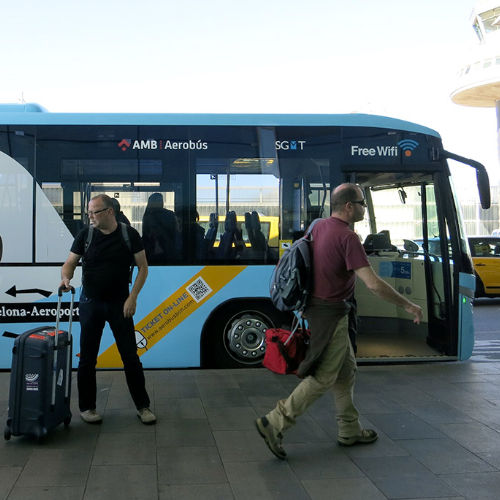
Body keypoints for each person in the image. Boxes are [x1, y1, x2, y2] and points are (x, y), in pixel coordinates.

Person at [255, 183, 423, 459]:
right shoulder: (348, 238)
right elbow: (373, 284)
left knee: (346, 372)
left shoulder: (318, 226)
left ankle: (349, 430)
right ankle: (274, 422)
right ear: (349, 206)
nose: (364, 208)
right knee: (323, 377)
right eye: (361, 203)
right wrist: (407, 304)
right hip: (332, 314)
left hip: (318, 309)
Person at [60, 194, 156, 425]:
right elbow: (70, 262)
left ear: (109, 212)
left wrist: (132, 298)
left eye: (94, 212)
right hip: (90, 304)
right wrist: (65, 278)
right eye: (89, 212)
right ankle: (87, 408)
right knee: (87, 359)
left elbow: (143, 268)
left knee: (130, 357)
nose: (90, 216)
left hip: (120, 305)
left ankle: (143, 407)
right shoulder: (86, 235)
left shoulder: (128, 234)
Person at [141, 193, 180, 263]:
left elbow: (146, 234)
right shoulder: (170, 215)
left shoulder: (147, 215)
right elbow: (176, 231)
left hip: (151, 252)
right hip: (169, 251)